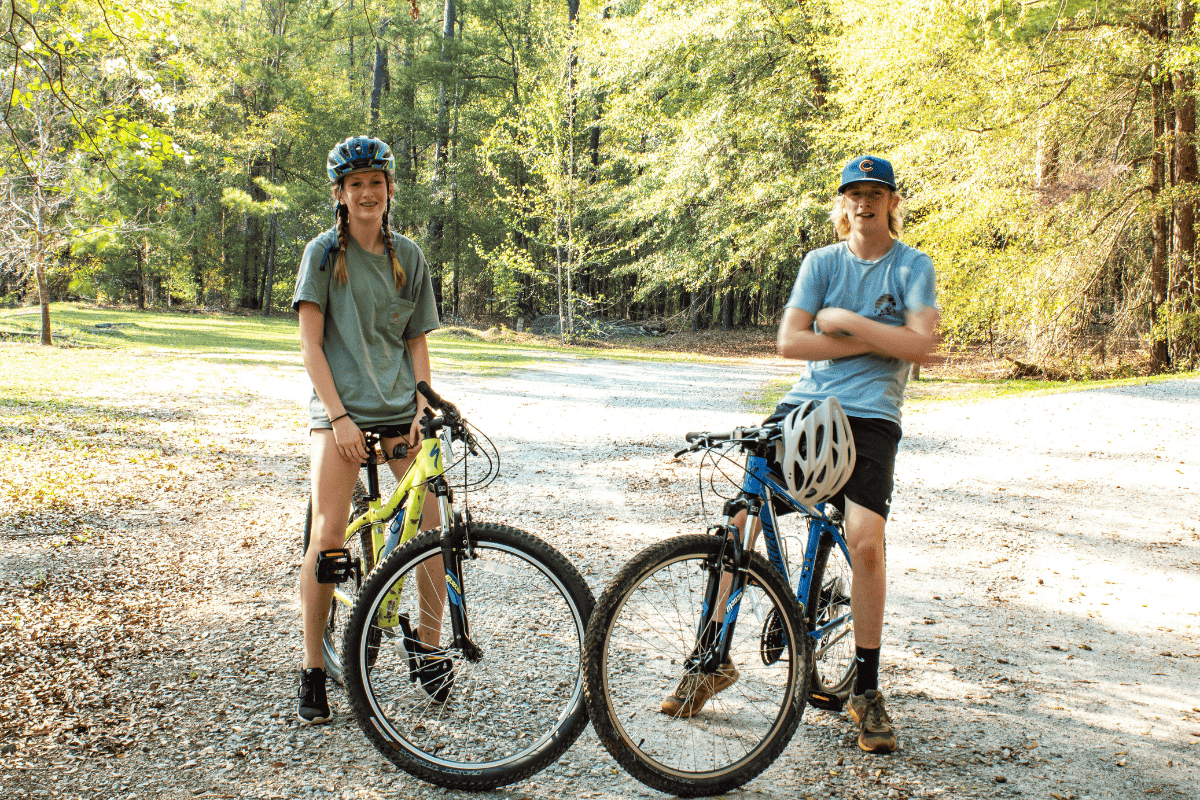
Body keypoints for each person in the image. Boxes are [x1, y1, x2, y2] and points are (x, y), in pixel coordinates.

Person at [660, 155, 939, 755]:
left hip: (870, 421)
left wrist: (841, 321)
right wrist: (874, 337)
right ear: (843, 205)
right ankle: (710, 658)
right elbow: (790, 341)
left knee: (864, 539)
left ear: (892, 202)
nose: (864, 202)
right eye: (854, 193)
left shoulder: (913, 265)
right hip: (804, 407)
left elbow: (925, 347)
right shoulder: (821, 262)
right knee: (740, 517)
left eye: (875, 193)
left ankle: (866, 690)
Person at [292, 135, 443, 725]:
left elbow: (417, 343)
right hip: (340, 410)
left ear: (388, 190)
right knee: (329, 533)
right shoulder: (323, 256)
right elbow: (310, 344)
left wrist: (420, 406)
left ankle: (429, 647)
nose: (366, 193)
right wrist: (339, 417)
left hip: (398, 410)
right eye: (355, 184)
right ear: (340, 193)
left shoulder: (409, 256)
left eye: (375, 183)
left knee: (431, 528)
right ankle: (310, 668)